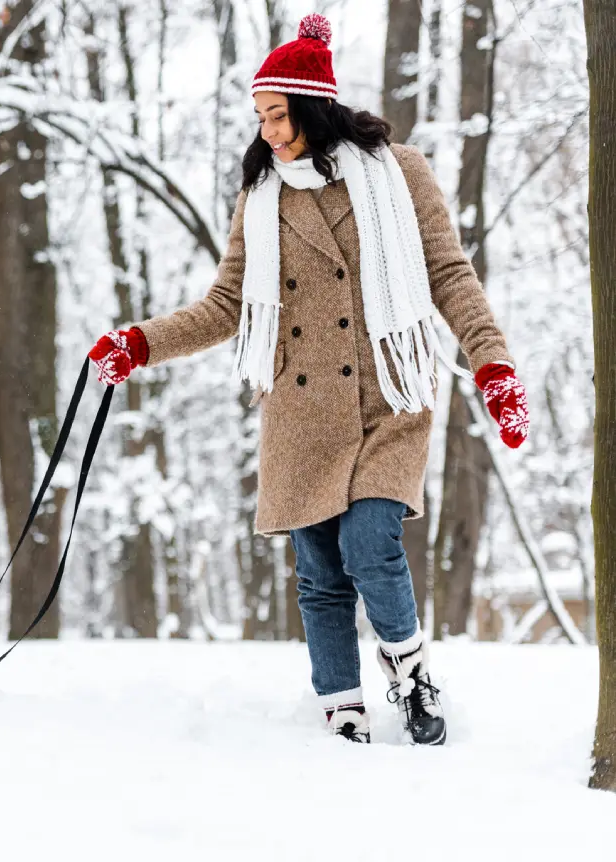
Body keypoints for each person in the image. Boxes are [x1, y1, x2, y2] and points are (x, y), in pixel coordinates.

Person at [88, 14, 528, 745]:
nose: (266, 131)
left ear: (313, 106)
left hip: (388, 393)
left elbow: (449, 274)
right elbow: (226, 305)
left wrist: (493, 363)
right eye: (258, 116)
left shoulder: (400, 173)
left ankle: (411, 674)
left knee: (369, 545)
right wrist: (140, 344)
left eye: (276, 114)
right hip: (299, 408)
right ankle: (341, 709)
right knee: (320, 573)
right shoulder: (262, 197)